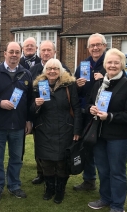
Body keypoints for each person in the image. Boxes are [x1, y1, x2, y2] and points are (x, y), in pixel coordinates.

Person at [86, 48, 127, 212]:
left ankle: (118, 206)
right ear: (105, 64)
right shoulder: (99, 84)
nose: (113, 65)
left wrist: (110, 116)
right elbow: (88, 103)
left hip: (119, 136)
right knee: (103, 169)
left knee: (117, 171)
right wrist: (90, 108)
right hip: (100, 134)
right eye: (109, 62)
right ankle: (105, 198)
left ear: (122, 65)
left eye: (116, 62)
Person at [0, 41, 33, 201]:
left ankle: (14, 186)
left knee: (16, 158)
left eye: (17, 52)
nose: (14, 55)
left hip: (18, 125)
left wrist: (28, 120)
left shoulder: (26, 74)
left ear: (20, 54)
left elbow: (29, 100)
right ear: (4, 53)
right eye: (11, 51)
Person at [30, 58, 82, 203]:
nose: (52, 71)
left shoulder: (68, 85)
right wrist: (36, 104)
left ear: (60, 71)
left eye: (55, 68)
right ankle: (49, 188)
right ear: (45, 71)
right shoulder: (38, 86)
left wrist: (77, 130)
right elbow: (30, 111)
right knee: (46, 163)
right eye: (49, 68)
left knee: (61, 163)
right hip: (44, 130)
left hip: (65, 129)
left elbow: (76, 108)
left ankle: (60, 190)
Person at [29, 40, 71, 185]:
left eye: (49, 50)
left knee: (59, 150)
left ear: (54, 52)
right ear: (39, 52)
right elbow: (30, 96)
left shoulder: (63, 69)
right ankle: (41, 173)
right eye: (43, 50)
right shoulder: (33, 70)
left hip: (59, 120)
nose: (46, 53)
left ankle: (56, 178)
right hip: (41, 118)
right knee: (40, 147)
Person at [73, 33, 108, 192]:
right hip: (86, 112)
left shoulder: (110, 62)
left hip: (104, 115)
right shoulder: (83, 65)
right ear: (88, 48)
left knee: (102, 151)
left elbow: (122, 86)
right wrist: (77, 85)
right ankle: (89, 180)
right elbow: (74, 91)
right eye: (92, 45)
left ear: (104, 46)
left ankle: (106, 185)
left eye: (98, 44)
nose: (95, 48)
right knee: (86, 146)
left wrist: (106, 78)